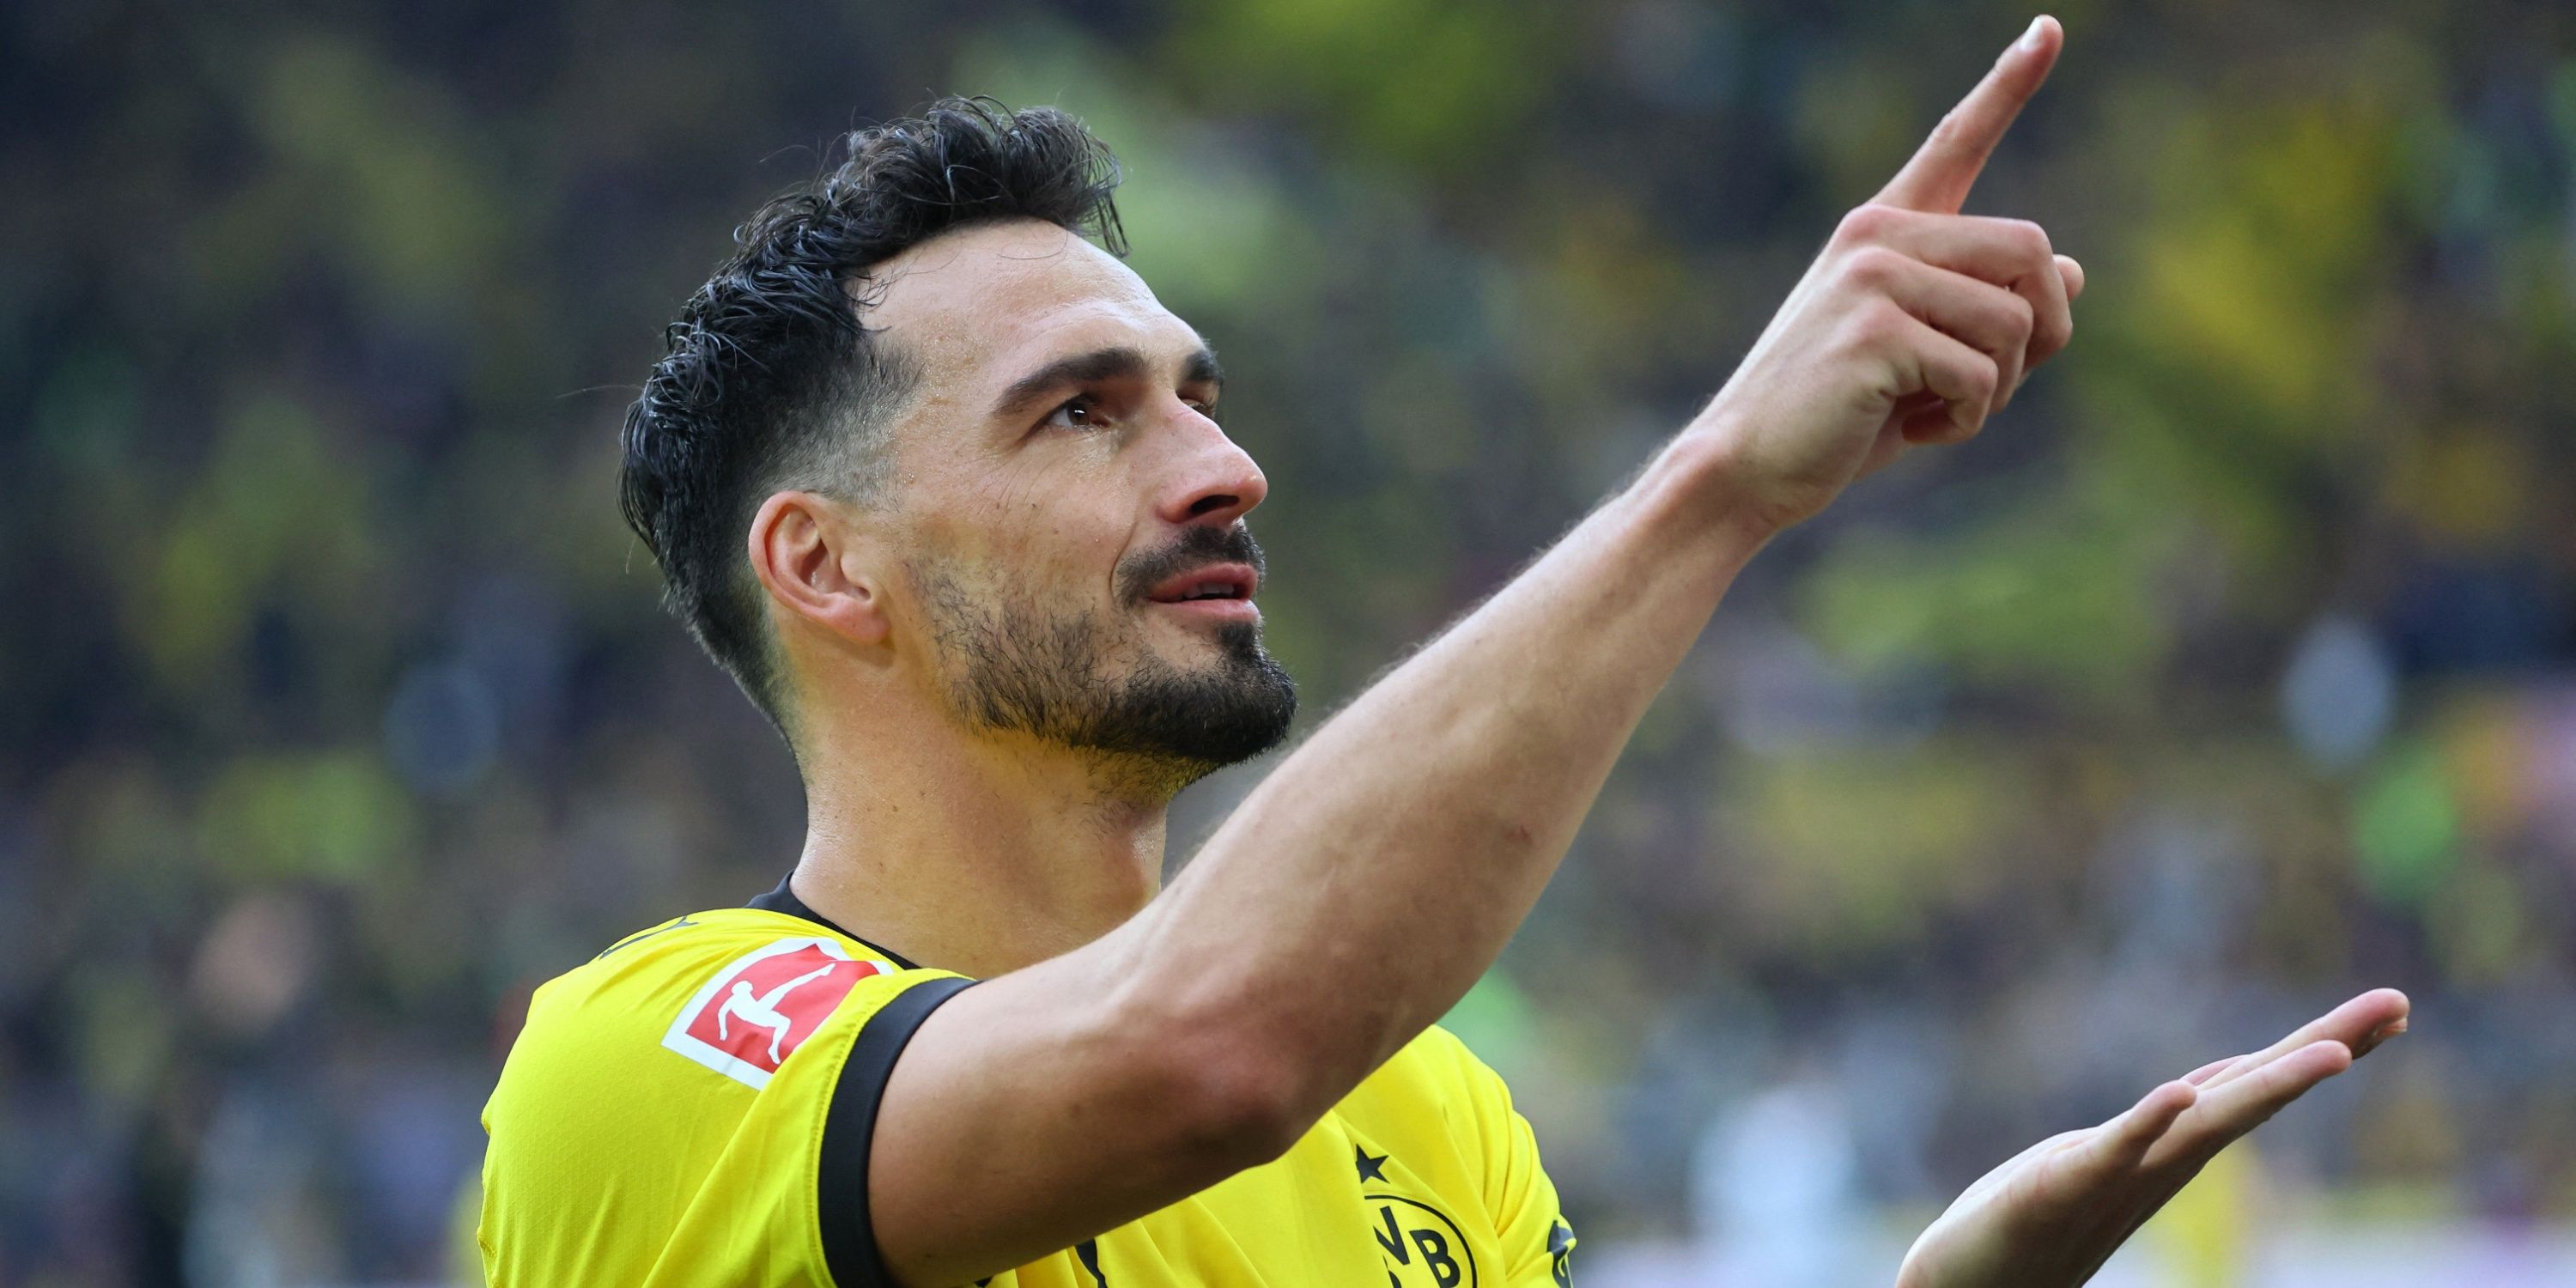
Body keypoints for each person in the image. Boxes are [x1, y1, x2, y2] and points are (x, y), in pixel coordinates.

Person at [477, 15, 2409, 1287]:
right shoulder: (643, 1065)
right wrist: (1719, 482)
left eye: (1200, 396)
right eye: (1084, 411)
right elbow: (1203, 1046)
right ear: (826, 567)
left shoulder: (1425, 1113)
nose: (1226, 464)